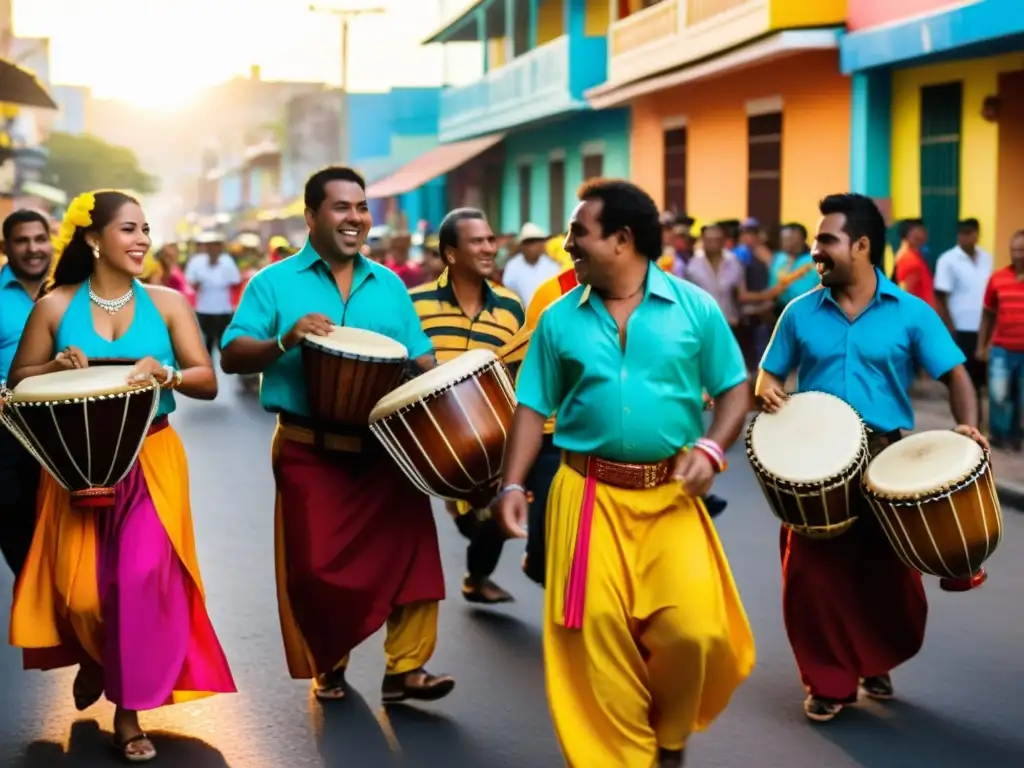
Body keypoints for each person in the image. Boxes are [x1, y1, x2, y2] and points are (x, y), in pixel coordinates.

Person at [496, 179, 756, 768]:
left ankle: (668, 736)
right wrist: (513, 484)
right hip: (586, 496)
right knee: (596, 642)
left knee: (693, 632)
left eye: (577, 232)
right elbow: (533, 408)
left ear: (623, 238)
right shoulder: (558, 318)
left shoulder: (695, 308)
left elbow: (735, 388)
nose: (567, 245)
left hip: (671, 499)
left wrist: (713, 451)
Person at [6, 190, 236, 762]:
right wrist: (54, 366)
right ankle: (92, 656)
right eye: (129, 229)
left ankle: (128, 715)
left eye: (145, 230)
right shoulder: (56, 306)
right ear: (93, 238)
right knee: (82, 596)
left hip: (152, 461)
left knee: (136, 583)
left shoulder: (169, 303)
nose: (142, 240)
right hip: (72, 468)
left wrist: (170, 374)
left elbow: (207, 378)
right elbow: (17, 382)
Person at [220, 166, 454, 704]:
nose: (356, 218)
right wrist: (285, 339)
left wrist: (441, 380)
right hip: (308, 449)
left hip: (386, 451)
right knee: (317, 571)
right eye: (341, 207)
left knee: (414, 556)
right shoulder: (273, 284)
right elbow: (233, 354)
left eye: (362, 207)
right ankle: (331, 658)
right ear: (310, 216)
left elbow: (419, 354)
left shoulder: (391, 284)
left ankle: (406, 670)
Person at [756, 193, 986, 723]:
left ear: (861, 246)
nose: (815, 251)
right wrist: (767, 390)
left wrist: (966, 426)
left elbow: (955, 374)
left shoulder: (911, 312)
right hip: (811, 463)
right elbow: (771, 371)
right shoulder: (798, 312)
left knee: (889, 577)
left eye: (825, 240)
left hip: (888, 457)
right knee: (811, 578)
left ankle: (872, 657)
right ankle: (828, 680)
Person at [410, 208, 525, 604]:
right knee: (473, 518)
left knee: (496, 515)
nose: (489, 248)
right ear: (451, 254)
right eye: (477, 241)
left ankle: (475, 576)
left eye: (491, 239)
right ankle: (471, 571)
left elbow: (518, 368)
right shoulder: (415, 302)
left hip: (494, 435)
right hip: (432, 439)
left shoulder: (512, 307)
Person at [0, 209, 52, 576]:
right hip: (9, 431)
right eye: (22, 240)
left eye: (39, 239)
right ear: (5, 247)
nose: (33, 249)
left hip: (69, 430)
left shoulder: (72, 292)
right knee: (18, 530)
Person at [935, 218, 993, 422]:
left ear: (977, 234)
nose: (966, 236)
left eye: (970, 232)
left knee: (982, 382)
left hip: (983, 329)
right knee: (963, 380)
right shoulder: (948, 260)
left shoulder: (987, 258)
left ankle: (982, 424)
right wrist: (949, 328)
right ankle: (969, 423)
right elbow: (941, 296)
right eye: (962, 233)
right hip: (960, 328)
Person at [976, 229, 1024, 451]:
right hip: (1001, 349)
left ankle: (1016, 437)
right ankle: (999, 436)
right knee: (999, 395)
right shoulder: (998, 278)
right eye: (1014, 249)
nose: (1018, 254)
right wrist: (981, 345)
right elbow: (987, 313)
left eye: (1022, 250)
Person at [185, 232, 241, 357]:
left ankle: (227, 366)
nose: (213, 249)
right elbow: (190, 281)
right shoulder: (197, 261)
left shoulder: (227, 261)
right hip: (204, 308)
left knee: (223, 341)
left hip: (223, 309)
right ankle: (207, 369)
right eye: (210, 246)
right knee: (206, 342)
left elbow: (236, 280)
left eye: (216, 246)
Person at [501, 222, 562, 307]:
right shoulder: (513, 267)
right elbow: (508, 295)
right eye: (529, 242)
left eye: (538, 241)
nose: (533, 246)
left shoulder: (552, 266)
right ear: (522, 245)